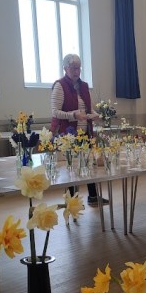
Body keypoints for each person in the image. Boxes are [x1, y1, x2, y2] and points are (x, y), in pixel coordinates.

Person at [50, 54, 108, 206]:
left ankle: (93, 196)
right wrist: (73, 115)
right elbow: (55, 112)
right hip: (68, 134)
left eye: (79, 68)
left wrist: (94, 115)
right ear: (65, 68)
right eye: (73, 68)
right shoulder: (60, 85)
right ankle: (72, 201)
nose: (77, 71)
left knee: (88, 163)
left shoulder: (84, 86)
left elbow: (87, 109)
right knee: (71, 166)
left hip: (85, 132)